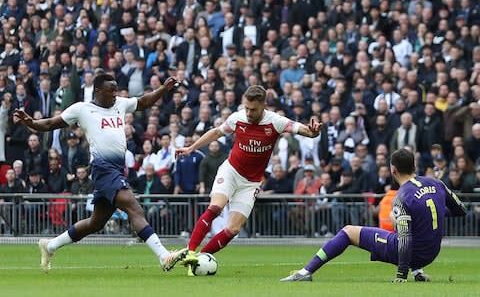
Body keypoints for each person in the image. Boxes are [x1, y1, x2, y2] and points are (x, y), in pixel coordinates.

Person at [14, 74, 188, 273]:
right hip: (102, 168)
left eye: (116, 89)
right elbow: (49, 124)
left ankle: (50, 246)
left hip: (116, 169)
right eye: (110, 90)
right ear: (98, 91)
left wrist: (163, 89)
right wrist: (29, 122)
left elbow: (142, 102)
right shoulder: (82, 109)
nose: (115, 94)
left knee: (95, 223)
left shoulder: (120, 104)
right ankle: (164, 256)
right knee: (133, 207)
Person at [176, 85, 321, 275]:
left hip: (251, 183)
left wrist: (314, 131)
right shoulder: (238, 118)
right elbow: (216, 132)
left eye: (253, 109)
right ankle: (191, 251)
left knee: (233, 229)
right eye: (246, 108)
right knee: (215, 208)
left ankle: (201, 258)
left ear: (263, 106)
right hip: (231, 171)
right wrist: (191, 148)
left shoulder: (275, 121)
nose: (249, 113)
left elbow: (302, 130)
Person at [280, 148, 467, 282]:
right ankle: (417, 272)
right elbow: (461, 211)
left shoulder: (402, 196)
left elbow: (405, 239)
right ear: (414, 166)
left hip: (410, 253)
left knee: (348, 232)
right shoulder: (437, 184)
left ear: (393, 170)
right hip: (432, 252)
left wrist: (401, 275)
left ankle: (306, 272)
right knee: (409, 229)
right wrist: (430, 214)